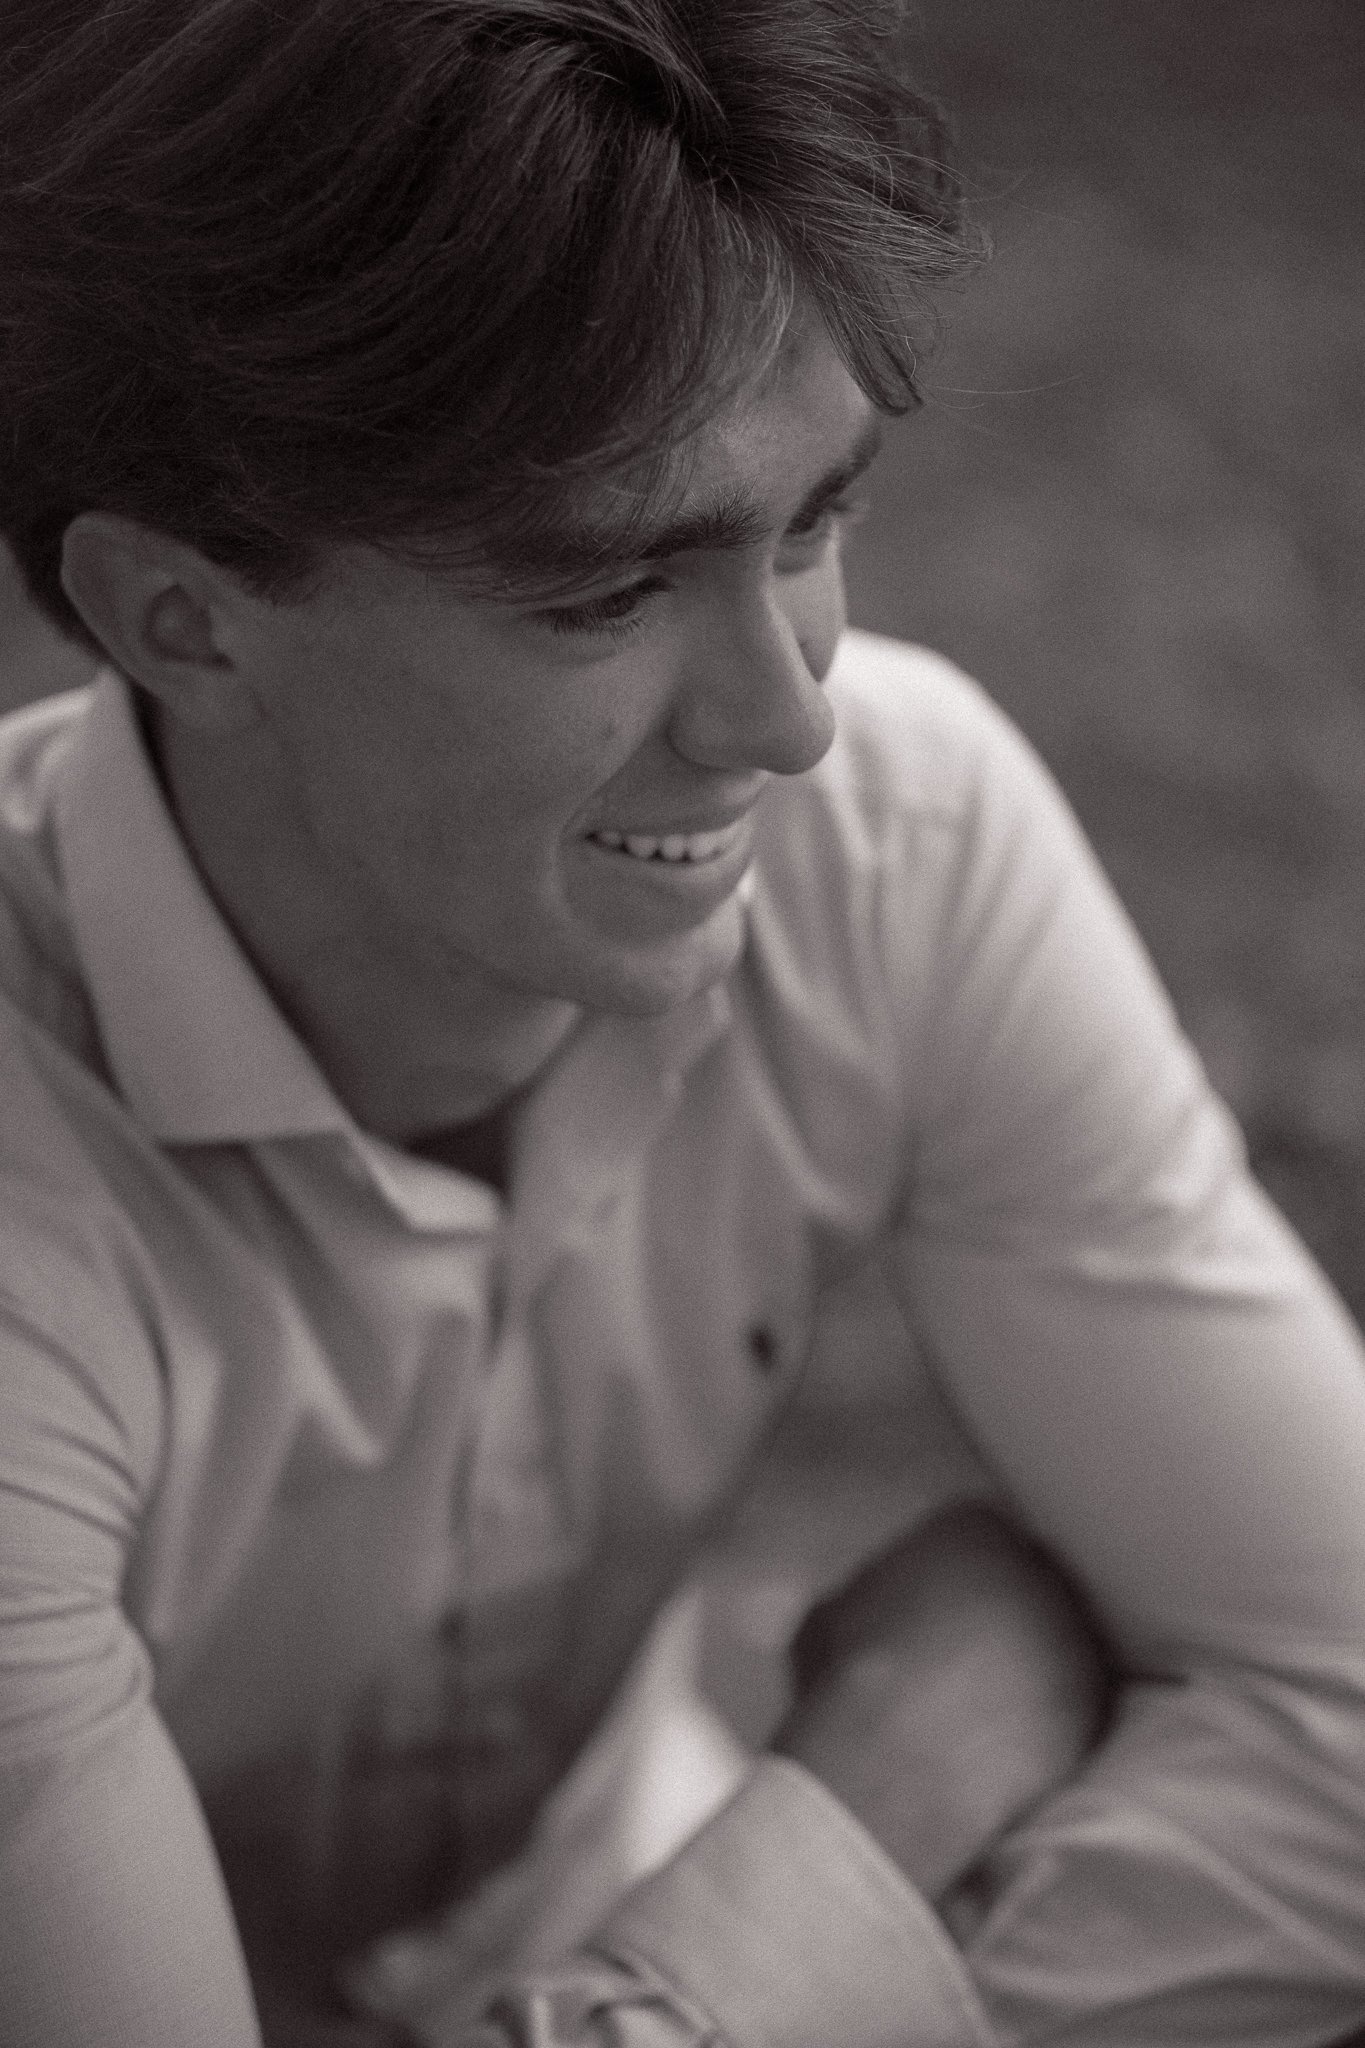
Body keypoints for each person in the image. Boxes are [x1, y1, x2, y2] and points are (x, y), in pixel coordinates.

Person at [1, 2, 1364, 2043]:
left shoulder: (892, 835)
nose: (790, 713)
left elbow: (1343, 1730)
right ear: (182, 621)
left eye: (813, 519)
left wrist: (721, 1983)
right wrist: (879, 1804)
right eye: (601, 593)